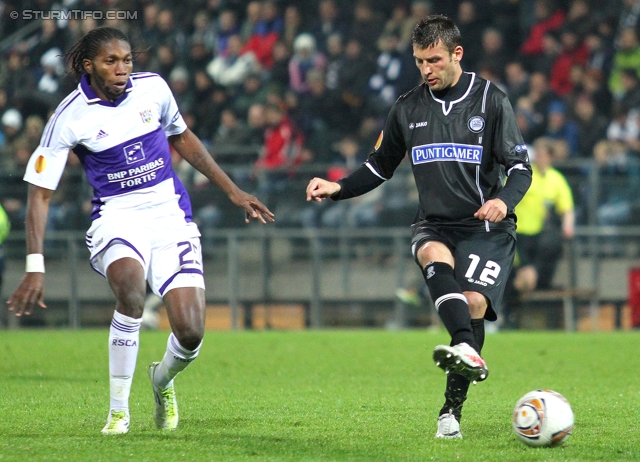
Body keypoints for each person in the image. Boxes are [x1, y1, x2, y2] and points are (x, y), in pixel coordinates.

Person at [6, 27, 274, 435]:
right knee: (130, 288)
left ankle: (161, 381)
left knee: (190, 332)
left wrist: (233, 191)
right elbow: (39, 195)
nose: (122, 69)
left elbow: (182, 138)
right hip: (116, 216)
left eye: (127, 60)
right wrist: (35, 265)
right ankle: (118, 412)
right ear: (88, 65)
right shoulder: (69, 116)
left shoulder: (154, 89)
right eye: (111, 61)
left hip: (170, 215)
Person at [305, 15, 531, 439]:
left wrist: (502, 200)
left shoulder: (490, 100)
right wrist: (337, 187)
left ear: (456, 54)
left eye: (434, 60)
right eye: (419, 62)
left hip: (485, 228)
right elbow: (379, 166)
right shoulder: (408, 108)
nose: (426, 70)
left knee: (473, 304)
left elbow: (520, 167)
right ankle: (465, 347)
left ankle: (451, 411)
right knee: (431, 255)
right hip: (435, 224)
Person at [503, 138, 575, 327]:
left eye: (544, 155)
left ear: (550, 157)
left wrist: (568, 225)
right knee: (515, 277)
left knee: (527, 278)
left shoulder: (555, 179)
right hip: (517, 235)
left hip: (538, 238)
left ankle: (511, 317)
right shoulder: (523, 175)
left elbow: (566, 207)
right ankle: (507, 315)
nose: (540, 158)